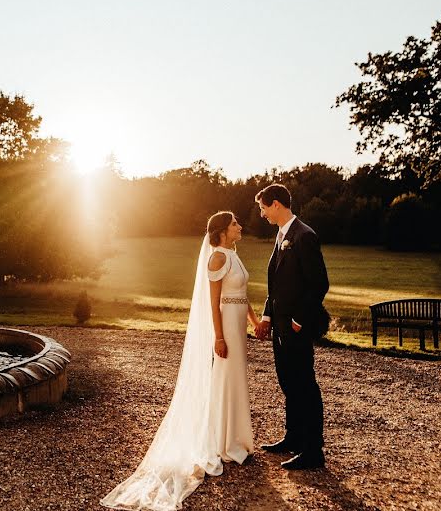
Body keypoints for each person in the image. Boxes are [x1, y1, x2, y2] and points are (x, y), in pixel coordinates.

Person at [101, 211, 258, 511]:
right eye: (235, 224)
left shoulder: (234, 256)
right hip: (226, 327)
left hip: (238, 326)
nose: (240, 226)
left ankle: (236, 438)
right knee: (225, 381)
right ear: (223, 231)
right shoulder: (217, 259)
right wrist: (219, 337)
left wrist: (253, 321)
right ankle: (224, 444)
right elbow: (214, 302)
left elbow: (242, 293)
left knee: (236, 381)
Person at [253, 183, 329, 470]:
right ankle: (294, 437)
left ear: (275, 204)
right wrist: (268, 316)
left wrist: (298, 320)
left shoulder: (304, 236)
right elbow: (276, 285)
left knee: (305, 386)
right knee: (288, 383)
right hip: (281, 327)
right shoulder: (281, 235)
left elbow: (319, 284)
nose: (261, 214)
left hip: (296, 327)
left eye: (263, 208)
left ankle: (313, 451)